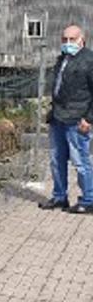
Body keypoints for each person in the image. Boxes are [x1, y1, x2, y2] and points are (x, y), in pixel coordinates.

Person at [41, 25, 93, 214]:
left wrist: (89, 118)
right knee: (56, 159)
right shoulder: (63, 59)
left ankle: (88, 200)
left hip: (77, 119)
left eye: (72, 39)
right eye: (65, 39)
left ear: (82, 39)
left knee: (80, 161)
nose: (68, 43)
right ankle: (59, 196)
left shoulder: (89, 60)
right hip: (58, 117)